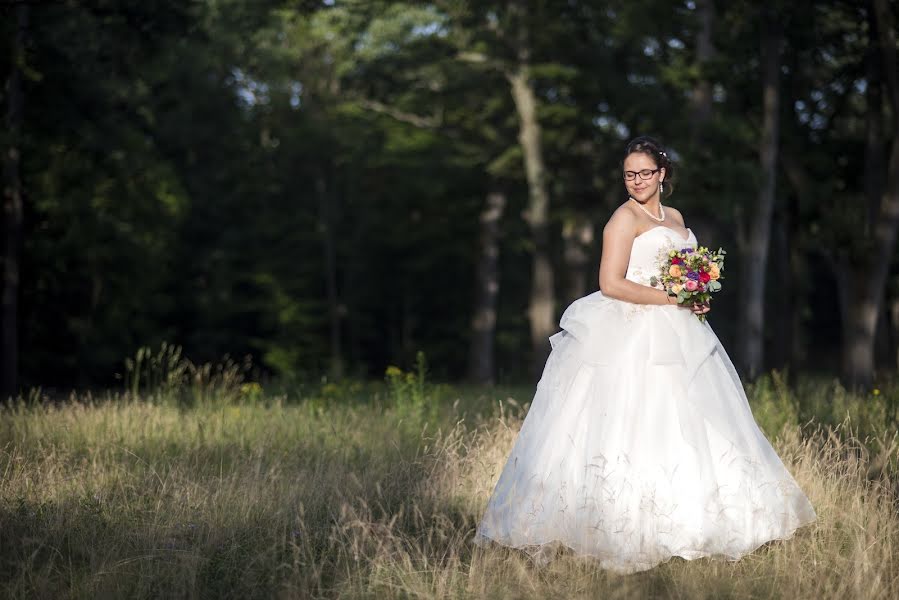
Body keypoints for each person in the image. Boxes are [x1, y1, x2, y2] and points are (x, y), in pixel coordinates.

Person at [472, 135, 817, 573]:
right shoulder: (622, 219)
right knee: (637, 419)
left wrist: (695, 295)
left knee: (697, 419)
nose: (636, 181)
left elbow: (681, 272)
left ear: (663, 174)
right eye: (629, 174)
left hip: (682, 330)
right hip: (635, 332)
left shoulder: (674, 216)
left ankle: (701, 520)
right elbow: (612, 283)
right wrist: (673, 299)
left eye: (644, 173)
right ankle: (620, 523)